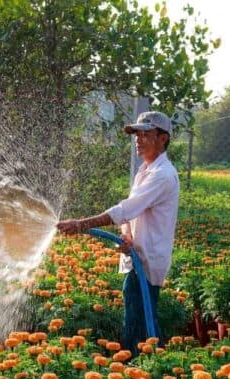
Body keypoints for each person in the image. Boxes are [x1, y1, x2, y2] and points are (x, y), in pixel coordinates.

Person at [56, 111, 179, 354]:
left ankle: (143, 370)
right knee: (140, 317)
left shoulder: (162, 175)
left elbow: (125, 209)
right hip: (137, 257)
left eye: (146, 134)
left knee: (140, 323)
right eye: (137, 134)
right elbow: (130, 213)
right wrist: (127, 235)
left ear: (163, 139)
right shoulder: (146, 171)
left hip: (147, 260)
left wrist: (81, 224)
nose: (138, 139)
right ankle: (146, 366)